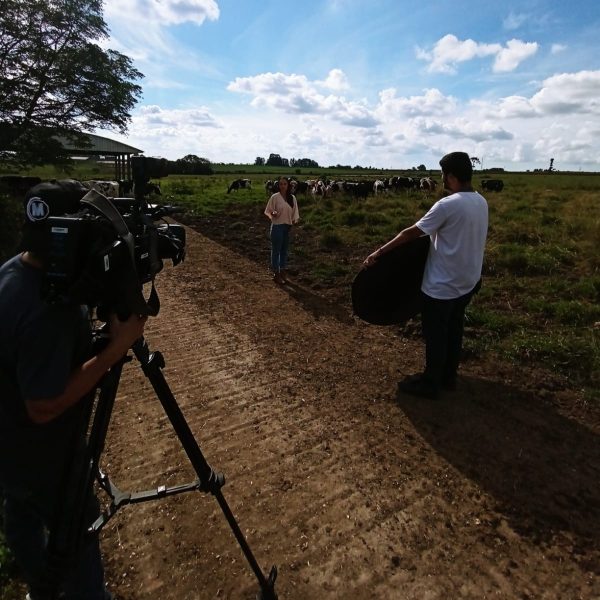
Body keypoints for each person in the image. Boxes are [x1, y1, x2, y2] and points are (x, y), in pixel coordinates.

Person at [0, 187, 147, 599]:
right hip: (43, 452)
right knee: (76, 524)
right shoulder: (48, 309)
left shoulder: (16, 271)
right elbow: (44, 406)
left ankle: (40, 587)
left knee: (21, 516)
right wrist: (115, 350)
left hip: (10, 448)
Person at [363, 151, 488, 399]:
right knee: (454, 328)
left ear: (450, 176)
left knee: (435, 333)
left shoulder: (448, 204)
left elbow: (411, 233)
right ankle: (449, 376)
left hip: (442, 285)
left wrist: (378, 253)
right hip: (468, 281)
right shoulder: (480, 201)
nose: (441, 179)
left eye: (443, 174)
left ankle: (431, 382)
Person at [264, 176, 300, 284]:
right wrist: (272, 213)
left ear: (288, 185)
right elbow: (268, 210)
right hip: (277, 226)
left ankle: (283, 271)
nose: (283, 186)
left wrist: (293, 221)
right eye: (280, 184)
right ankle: (276, 273)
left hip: (286, 227)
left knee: (284, 251)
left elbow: (295, 211)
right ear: (278, 185)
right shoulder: (274, 197)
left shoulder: (292, 198)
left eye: (285, 184)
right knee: (276, 251)